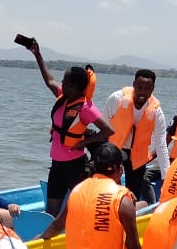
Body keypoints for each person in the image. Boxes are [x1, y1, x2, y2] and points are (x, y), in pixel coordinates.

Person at [25, 39, 114, 217]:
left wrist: (84, 143)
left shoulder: (86, 108)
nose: (62, 85)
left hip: (76, 167)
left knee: (79, 210)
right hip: (57, 166)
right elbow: (49, 80)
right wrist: (37, 54)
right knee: (51, 211)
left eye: (65, 82)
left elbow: (108, 130)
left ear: (75, 87)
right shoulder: (63, 97)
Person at [41, 143, 141, 249]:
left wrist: (36, 241)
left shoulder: (77, 190)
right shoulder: (122, 200)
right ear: (120, 169)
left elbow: (55, 226)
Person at [103, 69, 170, 203]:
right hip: (114, 150)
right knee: (107, 189)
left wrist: (167, 177)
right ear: (134, 85)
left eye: (147, 88)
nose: (143, 92)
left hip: (137, 156)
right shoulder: (116, 99)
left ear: (153, 89)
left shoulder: (157, 112)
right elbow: (103, 126)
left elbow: (161, 145)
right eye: (139, 87)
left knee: (132, 195)